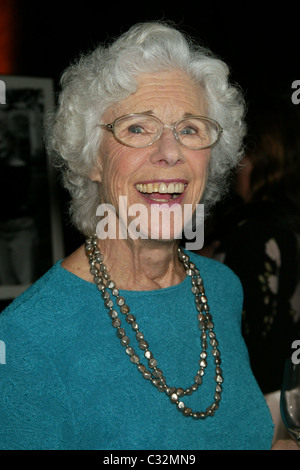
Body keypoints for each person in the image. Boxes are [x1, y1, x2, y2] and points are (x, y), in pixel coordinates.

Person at [0, 22, 295, 450]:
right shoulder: (28, 335)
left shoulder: (221, 288)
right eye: (138, 128)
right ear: (91, 159)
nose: (170, 152)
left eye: (191, 129)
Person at [200, 96, 300, 395]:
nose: (233, 165)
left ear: (261, 157)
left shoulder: (254, 231)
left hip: (259, 394)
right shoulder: (286, 221)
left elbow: (243, 336)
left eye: (240, 153)